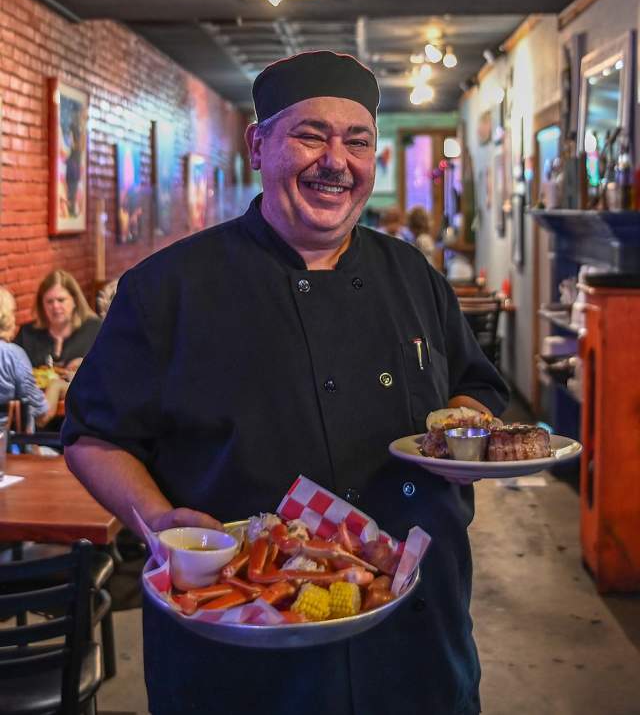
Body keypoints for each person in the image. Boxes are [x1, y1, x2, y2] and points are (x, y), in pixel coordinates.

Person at [62, 51, 508, 715]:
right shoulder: (169, 289)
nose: (336, 160)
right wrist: (158, 519)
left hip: (418, 642)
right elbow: (93, 434)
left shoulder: (414, 279)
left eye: (357, 141)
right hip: (241, 653)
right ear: (258, 144)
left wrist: (466, 439)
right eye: (309, 134)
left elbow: (478, 390)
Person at [0, 286, 65, 431]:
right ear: (6, 317)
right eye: (12, 312)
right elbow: (42, 416)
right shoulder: (13, 355)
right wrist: (56, 385)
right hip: (9, 448)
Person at [14, 270, 101, 372]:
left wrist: (88, 365)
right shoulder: (27, 333)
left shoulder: (95, 329)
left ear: (75, 301)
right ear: (42, 305)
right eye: (49, 301)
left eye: (61, 300)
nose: (55, 306)